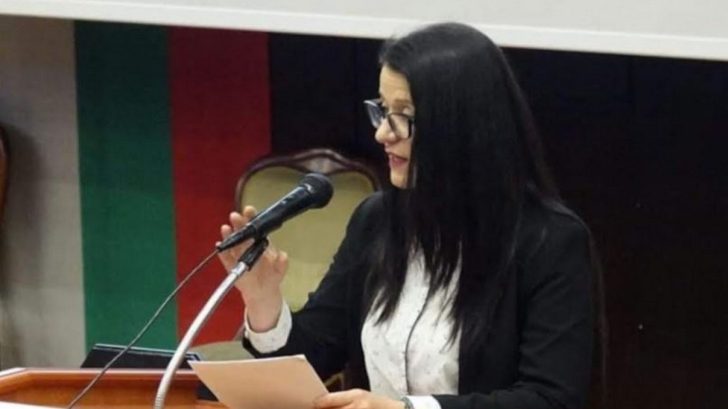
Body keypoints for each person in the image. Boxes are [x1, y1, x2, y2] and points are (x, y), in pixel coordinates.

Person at [218, 22, 603, 409]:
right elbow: (317, 356)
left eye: (403, 115)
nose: (383, 133)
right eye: (383, 111)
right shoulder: (377, 221)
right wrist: (263, 301)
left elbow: (550, 399)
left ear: (460, 124)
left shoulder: (549, 241)